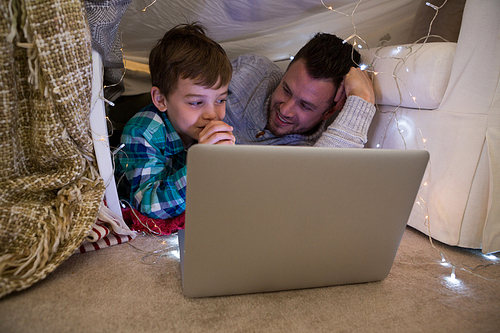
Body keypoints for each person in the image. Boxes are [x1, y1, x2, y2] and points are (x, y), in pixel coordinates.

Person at [114, 23, 234, 220]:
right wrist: (202, 165)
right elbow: (147, 206)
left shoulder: (208, 126)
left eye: (220, 100)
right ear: (161, 100)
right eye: (196, 102)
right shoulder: (141, 132)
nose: (212, 114)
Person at [220, 32, 376, 147]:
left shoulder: (310, 151)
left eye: (305, 105)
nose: (285, 110)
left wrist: (361, 100)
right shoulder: (250, 71)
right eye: (286, 90)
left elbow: (317, 180)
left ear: (328, 113)